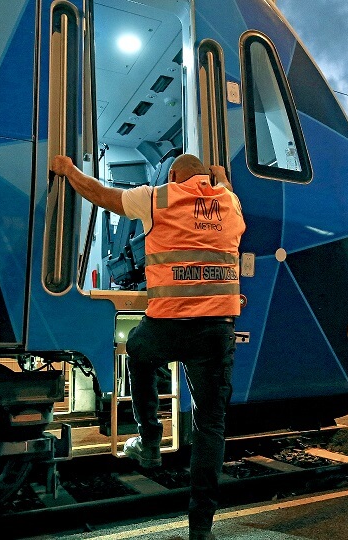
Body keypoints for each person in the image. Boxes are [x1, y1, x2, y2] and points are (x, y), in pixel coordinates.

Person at [50, 153, 244, 540]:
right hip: (216, 330)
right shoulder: (228, 201)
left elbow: (101, 195)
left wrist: (70, 171)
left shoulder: (157, 197)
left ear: (173, 175)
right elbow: (225, 194)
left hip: (168, 323)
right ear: (209, 178)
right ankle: (201, 529)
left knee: (138, 352)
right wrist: (221, 179)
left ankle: (150, 440)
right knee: (210, 425)